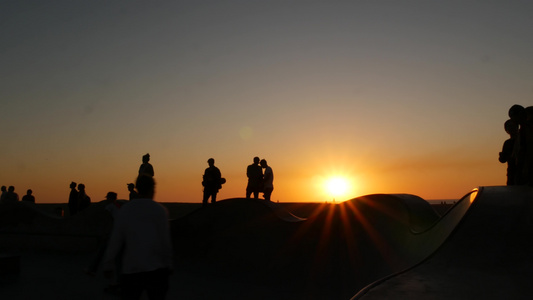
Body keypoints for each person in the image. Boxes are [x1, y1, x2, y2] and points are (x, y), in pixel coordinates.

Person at [103, 175, 173, 300]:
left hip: (132, 269)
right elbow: (165, 242)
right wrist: (168, 263)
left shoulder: (126, 210)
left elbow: (116, 240)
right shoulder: (160, 211)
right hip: (156, 270)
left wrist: (108, 263)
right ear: (152, 189)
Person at [499, 119, 519, 185]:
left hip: (523, 171)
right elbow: (503, 160)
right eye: (508, 127)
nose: (511, 129)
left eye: (512, 126)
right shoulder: (507, 143)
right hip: (511, 171)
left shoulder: (523, 140)